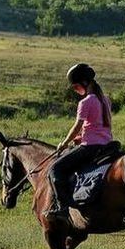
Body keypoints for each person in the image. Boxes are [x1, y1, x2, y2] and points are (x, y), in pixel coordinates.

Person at [46, 63, 115, 221]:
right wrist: (79, 139)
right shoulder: (106, 100)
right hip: (106, 145)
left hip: (90, 147)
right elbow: (98, 126)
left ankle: (62, 209)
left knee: (55, 169)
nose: (76, 91)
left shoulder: (86, 102)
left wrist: (64, 143)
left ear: (84, 84)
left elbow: (77, 126)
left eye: (76, 87)